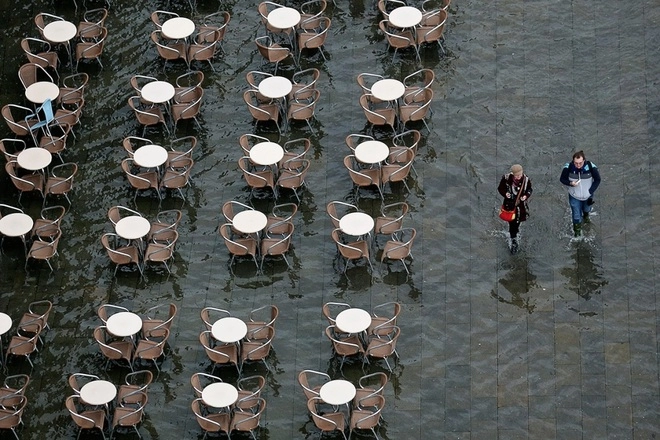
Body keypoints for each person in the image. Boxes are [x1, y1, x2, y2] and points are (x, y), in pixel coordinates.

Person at [560, 150, 601, 237]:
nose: (578, 165)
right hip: (574, 196)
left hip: (588, 196)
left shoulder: (590, 167)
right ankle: (577, 234)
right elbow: (562, 179)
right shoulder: (568, 168)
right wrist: (570, 183)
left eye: (580, 163)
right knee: (576, 216)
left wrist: (590, 191)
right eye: (576, 163)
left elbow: (598, 179)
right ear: (573, 161)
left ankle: (586, 217)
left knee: (587, 209)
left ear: (584, 160)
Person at [498, 164, 532, 253]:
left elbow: (529, 189)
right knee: (512, 222)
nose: (519, 177)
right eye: (517, 176)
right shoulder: (506, 179)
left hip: (520, 206)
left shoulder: (526, 180)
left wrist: (526, 196)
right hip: (509, 205)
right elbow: (500, 188)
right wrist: (505, 194)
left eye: (520, 175)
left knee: (517, 221)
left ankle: (514, 234)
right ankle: (513, 239)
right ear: (512, 174)